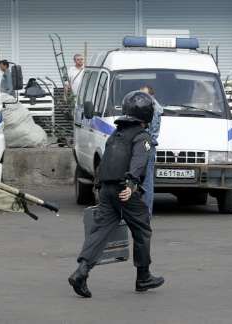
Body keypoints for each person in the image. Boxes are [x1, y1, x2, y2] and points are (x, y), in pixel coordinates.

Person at [68, 90, 164, 298]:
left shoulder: (116, 134)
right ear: (148, 115)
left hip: (106, 189)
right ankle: (143, 276)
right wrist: (131, 184)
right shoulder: (142, 136)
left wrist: (100, 186)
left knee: (99, 232)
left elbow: (106, 161)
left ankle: (81, 272)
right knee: (142, 230)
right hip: (124, 191)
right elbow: (139, 162)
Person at [140, 85, 163, 217]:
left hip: (147, 145)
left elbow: (149, 133)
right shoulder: (153, 106)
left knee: (147, 182)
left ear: (151, 96)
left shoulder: (152, 108)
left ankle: (146, 214)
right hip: (147, 145)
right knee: (146, 180)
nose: (141, 98)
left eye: (144, 95)